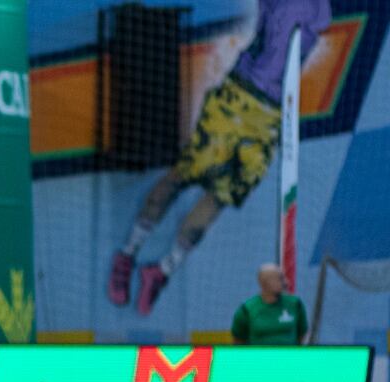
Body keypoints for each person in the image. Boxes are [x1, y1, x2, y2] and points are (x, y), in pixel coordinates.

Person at [107, 0, 332, 316]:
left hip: (268, 118)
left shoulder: (321, 9)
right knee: (183, 175)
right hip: (238, 98)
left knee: (221, 197)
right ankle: (127, 254)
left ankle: (162, 270)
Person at [232, 262, 308, 344]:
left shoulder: (296, 304)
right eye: (280, 279)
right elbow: (238, 342)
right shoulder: (246, 310)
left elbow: (302, 335)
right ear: (265, 283)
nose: (286, 282)